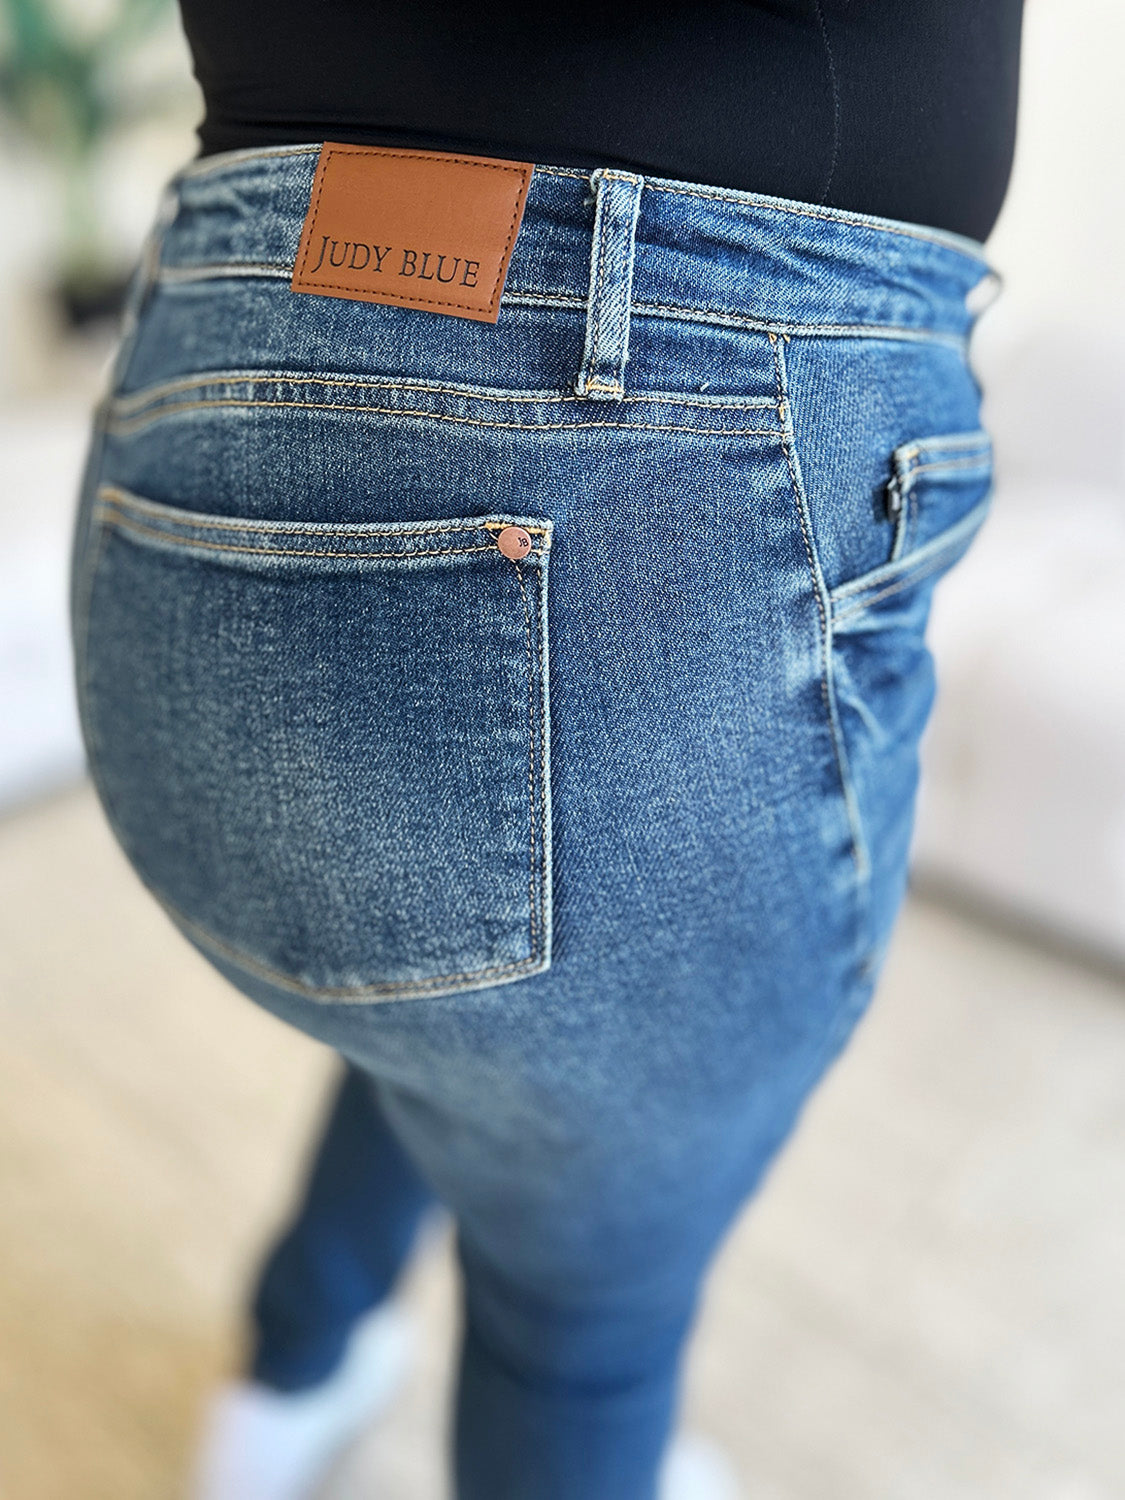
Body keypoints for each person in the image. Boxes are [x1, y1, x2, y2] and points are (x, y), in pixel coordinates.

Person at [68, 4, 1025, 1497]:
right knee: (577, 1327)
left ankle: (285, 1381)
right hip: (679, 394)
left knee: (458, 998)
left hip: (209, 375)